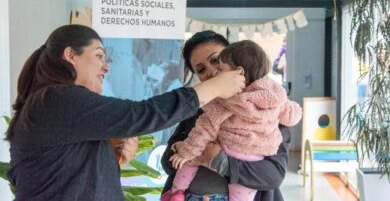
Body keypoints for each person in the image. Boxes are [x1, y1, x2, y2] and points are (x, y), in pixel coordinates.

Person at [5, 25, 245, 200]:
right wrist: (213, 88)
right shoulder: (57, 98)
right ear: (70, 56)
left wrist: (109, 150)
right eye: (98, 55)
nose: (106, 66)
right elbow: (141, 114)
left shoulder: (51, 104)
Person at [161, 31, 293, 201]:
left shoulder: (268, 112)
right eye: (201, 70)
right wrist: (179, 150)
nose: (212, 72)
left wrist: (217, 159)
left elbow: (273, 175)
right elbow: (167, 164)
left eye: (216, 61)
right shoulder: (198, 109)